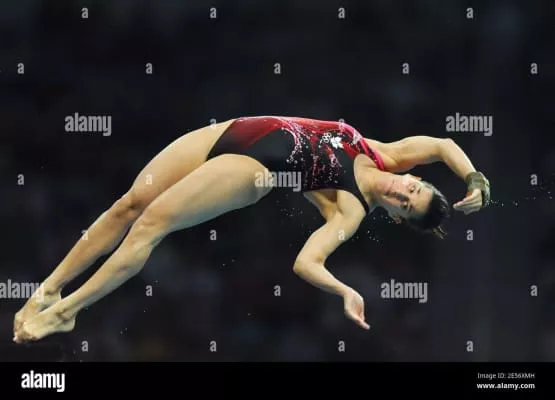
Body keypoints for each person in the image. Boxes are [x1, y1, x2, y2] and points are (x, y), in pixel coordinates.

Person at [13, 115, 490, 342]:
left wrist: (343, 290)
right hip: (234, 129)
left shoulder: (350, 211)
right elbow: (443, 144)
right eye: (413, 188)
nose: (402, 192)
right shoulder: (388, 153)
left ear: (398, 217)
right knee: (129, 204)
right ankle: (50, 289)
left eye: (405, 205)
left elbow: (306, 262)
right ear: (414, 176)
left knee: (150, 224)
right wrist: (475, 179)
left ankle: (68, 311)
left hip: (254, 169)